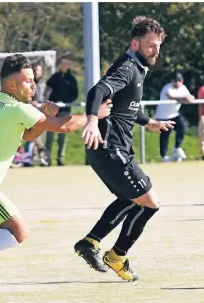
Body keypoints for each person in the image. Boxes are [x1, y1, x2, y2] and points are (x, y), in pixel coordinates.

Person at [0, 54, 112, 288]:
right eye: (27, 81)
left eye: (33, 80)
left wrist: (43, 119)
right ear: (11, 84)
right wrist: (94, 115)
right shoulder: (17, 109)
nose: (33, 85)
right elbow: (64, 126)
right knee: (18, 233)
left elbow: (26, 134)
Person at [74, 16, 174, 282]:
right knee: (150, 203)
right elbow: (98, 91)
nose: (156, 51)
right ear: (135, 43)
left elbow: (128, 106)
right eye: (151, 45)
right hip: (111, 149)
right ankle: (117, 255)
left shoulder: (137, 67)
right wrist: (93, 121)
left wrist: (150, 122)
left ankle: (90, 242)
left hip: (108, 150)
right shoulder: (128, 66)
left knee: (130, 199)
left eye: (158, 45)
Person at [154, 71, 194, 162]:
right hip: (163, 115)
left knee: (182, 128)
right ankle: (163, 156)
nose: (177, 83)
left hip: (174, 114)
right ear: (172, 81)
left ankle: (177, 148)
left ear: (182, 80)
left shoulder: (183, 87)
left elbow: (189, 97)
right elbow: (172, 97)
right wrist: (185, 99)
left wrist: (190, 98)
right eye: (176, 81)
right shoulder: (167, 88)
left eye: (179, 81)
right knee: (164, 135)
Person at [45, 59, 79, 166]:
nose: (64, 67)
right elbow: (48, 85)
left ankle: (60, 159)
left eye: (65, 65)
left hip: (65, 110)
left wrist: (67, 102)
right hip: (52, 110)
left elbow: (75, 94)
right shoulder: (55, 77)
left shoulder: (71, 79)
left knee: (62, 136)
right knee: (49, 135)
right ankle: (47, 159)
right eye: (62, 65)